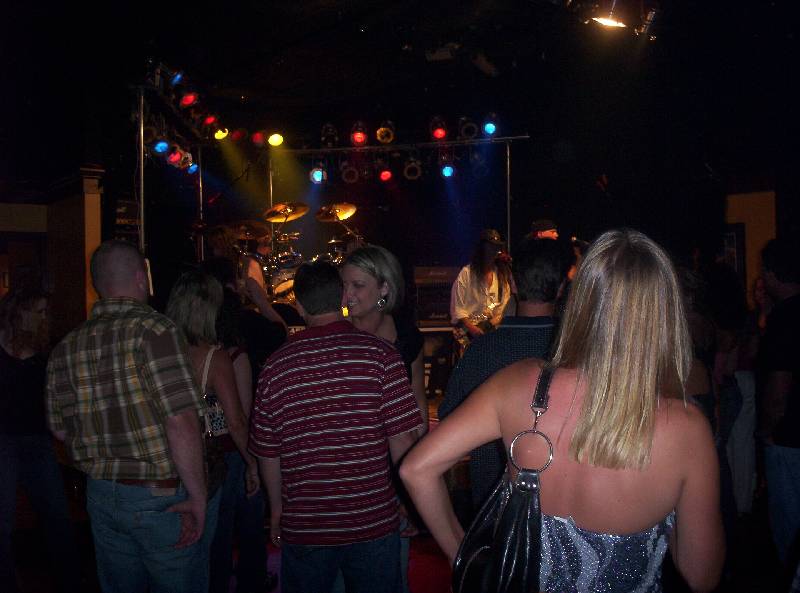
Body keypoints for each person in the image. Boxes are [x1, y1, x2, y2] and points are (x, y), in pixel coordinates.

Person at [401, 229, 724, 593]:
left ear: (580, 300)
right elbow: (700, 575)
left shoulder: (518, 383)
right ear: (665, 315)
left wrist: (461, 555)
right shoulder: (686, 427)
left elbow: (417, 469)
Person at [249, 260, 423, 593]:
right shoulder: (382, 356)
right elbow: (404, 439)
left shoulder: (275, 366)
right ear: (342, 296)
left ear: (299, 306)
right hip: (372, 520)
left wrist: (277, 511)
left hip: (307, 525)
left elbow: (269, 453)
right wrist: (412, 503)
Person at [46, 240, 208, 593]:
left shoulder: (66, 347)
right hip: (158, 496)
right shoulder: (156, 331)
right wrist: (198, 496)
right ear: (140, 277)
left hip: (100, 494)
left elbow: (59, 429)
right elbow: (180, 421)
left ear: (97, 285)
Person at [438, 236, 575, 511]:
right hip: (563, 502)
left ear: (511, 283)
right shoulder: (575, 351)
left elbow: (448, 415)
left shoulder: (482, 351)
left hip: (493, 502)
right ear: (562, 287)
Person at [166, 270, 261, 591]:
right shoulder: (214, 357)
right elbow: (236, 421)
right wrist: (252, 462)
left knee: (174, 552)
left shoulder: (158, 348)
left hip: (164, 458)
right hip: (205, 460)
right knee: (207, 548)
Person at [340, 245, 427, 593]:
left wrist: (411, 487)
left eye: (357, 285)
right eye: (343, 285)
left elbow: (418, 409)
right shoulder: (338, 334)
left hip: (391, 467)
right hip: (347, 468)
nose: (347, 294)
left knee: (389, 574)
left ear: (384, 288)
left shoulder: (406, 336)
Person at [201, 259, 278, 593]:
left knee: (218, 526)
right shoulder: (234, 352)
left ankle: (222, 581)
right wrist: (252, 461)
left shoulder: (193, 343)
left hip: (208, 446)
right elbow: (240, 417)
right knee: (246, 519)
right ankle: (251, 580)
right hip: (236, 446)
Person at [0, 286, 81, 593]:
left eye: (46, 311)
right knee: (3, 522)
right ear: (19, 312)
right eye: (39, 311)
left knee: (57, 516)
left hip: (37, 439)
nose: (44, 318)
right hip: (4, 440)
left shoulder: (47, 353)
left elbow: (60, 398)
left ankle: (70, 582)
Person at [757, 238, 800, 568]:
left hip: (788, 436)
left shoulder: (785, 317)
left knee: (789, 525)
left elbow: (779, 386)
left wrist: (768, 430)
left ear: (772, 274)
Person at [450, 229, 512, 350]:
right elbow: (458, 308)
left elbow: (504, 308)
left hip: (491, 336)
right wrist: (472, 328)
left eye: (496, 247)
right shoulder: (466, 274)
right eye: (490, 247)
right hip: (468, 336)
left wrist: (491, 325)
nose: (493, 251)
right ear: (481, 249)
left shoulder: (501, 276)